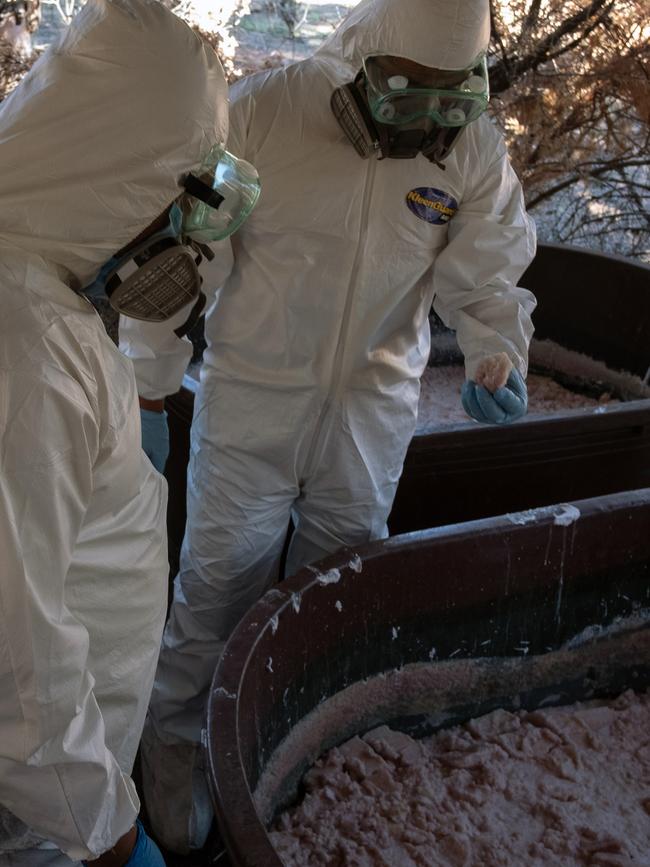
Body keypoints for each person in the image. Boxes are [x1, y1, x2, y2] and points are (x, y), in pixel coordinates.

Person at [134, 0, 537, 853]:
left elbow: (489, 270)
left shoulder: (465, 145)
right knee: (216, 592)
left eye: (446, 100)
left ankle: (285, 760)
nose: (426, 121)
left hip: (371, 413)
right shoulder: (264, 115)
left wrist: (499, 350)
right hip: (253, 403)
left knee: (330, 601)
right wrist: (148, 382)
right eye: (409, 97)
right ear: (367, 63)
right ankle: (174, 748)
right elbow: (185, 256)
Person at [0, 0, 258, 863]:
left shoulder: (42, 285)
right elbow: (15, 667)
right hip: (41, 814)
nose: (179, 244)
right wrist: (103, 829)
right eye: (173, 210)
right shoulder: (25, 358)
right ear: (113, 185)